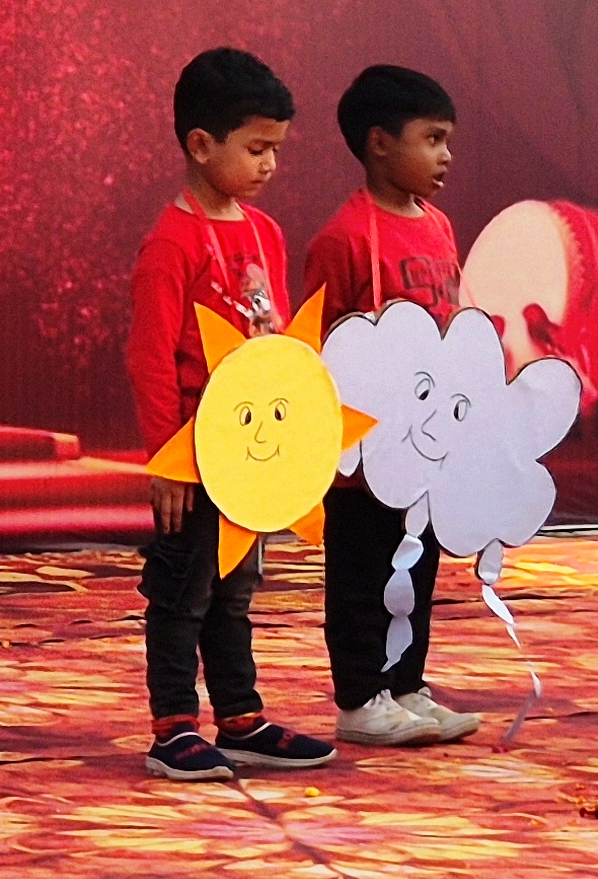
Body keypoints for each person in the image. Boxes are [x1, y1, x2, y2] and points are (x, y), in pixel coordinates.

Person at [128, 47, 335, 781]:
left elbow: (272, 340)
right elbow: (151, 359)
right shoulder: (170, 243)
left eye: (276, 149)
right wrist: (167, 462)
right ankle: (172, 726)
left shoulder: (263, 232)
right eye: (255, 149)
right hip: (193, 457)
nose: (269, 164)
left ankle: (241, 717)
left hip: (250, 457)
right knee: (182, 591)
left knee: (236, 589)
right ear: (200, 144)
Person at [300, 64, 478, 749]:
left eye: (447, 140)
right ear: (379, 143)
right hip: (363, 454)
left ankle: (406, 685)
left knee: (416, 567)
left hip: (424, 447)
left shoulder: (438, 226)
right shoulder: (343, 238)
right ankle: (359, 697)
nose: (445, 155)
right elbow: (319, 345)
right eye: (431, 139)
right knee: (361, 574)